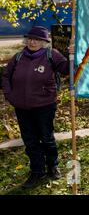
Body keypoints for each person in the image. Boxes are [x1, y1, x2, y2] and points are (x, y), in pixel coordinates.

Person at [1, 26, 70, 188]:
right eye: (30, 39)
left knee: (46, 138)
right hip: (22, 108)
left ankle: (52, 166)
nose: (32, 42)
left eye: (37, 39)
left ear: (44, 42)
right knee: (30, 141)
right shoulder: (18, 57)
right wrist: (10, 96)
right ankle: (37, 171)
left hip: (44, 106)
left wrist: (72, 54)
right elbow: (6, 77)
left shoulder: (52, 55)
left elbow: (68, 70)